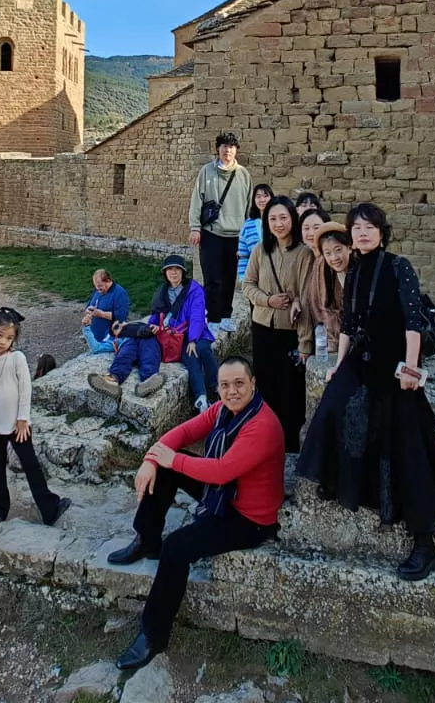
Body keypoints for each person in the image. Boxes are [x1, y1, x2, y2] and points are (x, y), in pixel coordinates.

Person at [296, 202, 435, 582]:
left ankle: (426, 545)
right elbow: (350, 325)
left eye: (369, 227)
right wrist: (339, 365)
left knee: (406, 445)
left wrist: (411, 367)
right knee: (333, 407)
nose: (361, 233)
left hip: (394, 364)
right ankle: (337, 479)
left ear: (382, 232)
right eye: (356, 228)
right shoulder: (355, 272)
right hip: (363, 359)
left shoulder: (398, 267)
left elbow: (412, 320)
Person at [108, 356, 283, 671]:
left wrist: (171, 459)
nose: (231, 391)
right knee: (165, 467)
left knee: (176, 548)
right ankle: (147, 539)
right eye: (225, 385)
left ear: (253, 384)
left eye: (239, 384)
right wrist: (152, 459)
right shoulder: (223, 411)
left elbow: (221, 471)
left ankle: (153, 635)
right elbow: (182, 433)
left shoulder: (262, 425)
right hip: (225, 496)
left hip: (248, 519)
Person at [0, 310, 72, 528]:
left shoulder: (17, 358)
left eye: (9, 338)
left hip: (17, 424)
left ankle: (49, 507)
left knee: (30, 464)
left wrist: (23, 418)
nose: (3, 342)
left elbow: (25, 389)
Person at [242, 195, 313, 453]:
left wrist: (305, 344)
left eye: (283, 217)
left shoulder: (305, 254)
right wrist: (268, 300)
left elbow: (306, 300)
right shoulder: (260, 251)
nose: (278, 223)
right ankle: (265, 442)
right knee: (266, 386)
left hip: (290, 332)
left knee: (291, 391)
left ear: (292, 219)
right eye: (273, 218)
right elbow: (247, 285)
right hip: (262, 327)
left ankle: (290, 447)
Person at [188, 133, 252, 334]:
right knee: (212, 278)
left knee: (229, 278)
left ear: (236, 150)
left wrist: (248, 233)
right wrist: (195, 227)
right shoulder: (206, 172)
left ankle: (226, 316)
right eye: (224, 146)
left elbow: (249, 205)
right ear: (218, 149)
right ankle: (213, 318)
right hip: (212, 233)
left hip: (236, 236)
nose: (228, 150)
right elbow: (196, 200)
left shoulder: (244, 175)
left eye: (232, 147)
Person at [148, 254, 219, 413]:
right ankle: (201, 398)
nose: (174, 273)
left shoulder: (194, 290)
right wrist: (152, 326)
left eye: (177, 270)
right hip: (176, 338)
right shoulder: (162, 292)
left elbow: (197, 315)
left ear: (183, 272)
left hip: (196, 332)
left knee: (202, 348)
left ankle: (217, 385)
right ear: (165, 273)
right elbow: (156, 314)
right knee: (190, 357)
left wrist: (193, 339)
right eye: (170, 270)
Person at [87, 310, 166, 400]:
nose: (121, 325)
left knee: (150, 352)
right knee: (124, 356)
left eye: (121, 322)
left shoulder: (142, 327)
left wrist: (156, 328)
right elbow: (96, 347)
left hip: (146, 339)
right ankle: (111, 381)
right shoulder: (119, 340)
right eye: (116, 327)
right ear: (115, 335)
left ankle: (149, 381)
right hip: (129, 344)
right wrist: (86, 327)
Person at [302, 222, 351, 354]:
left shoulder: (361, 270)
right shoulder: (321, 267)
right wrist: (332, 338)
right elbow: (318, 305)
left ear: (350, 248)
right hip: (333, 340)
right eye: (328, 253)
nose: (334, 258)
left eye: (338, 250)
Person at [81, 269, 132, 355]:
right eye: (96, 286)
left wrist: (102, 314)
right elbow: (89, 305)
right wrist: (88, 311)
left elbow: (122, 316)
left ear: (108, 281)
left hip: (109, 336)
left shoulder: (120, 293)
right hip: (96, 335)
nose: (98, 289)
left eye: (100, 286)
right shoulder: (98, 290)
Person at [237, 183, 274, 281]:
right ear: (254, 200)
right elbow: (243, 254)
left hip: (277, 272)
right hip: (255, 275)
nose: (262, 200)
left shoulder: (278, 221)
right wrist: (243, 278)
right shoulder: (248, 225)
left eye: (266, 196)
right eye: (258, 197)